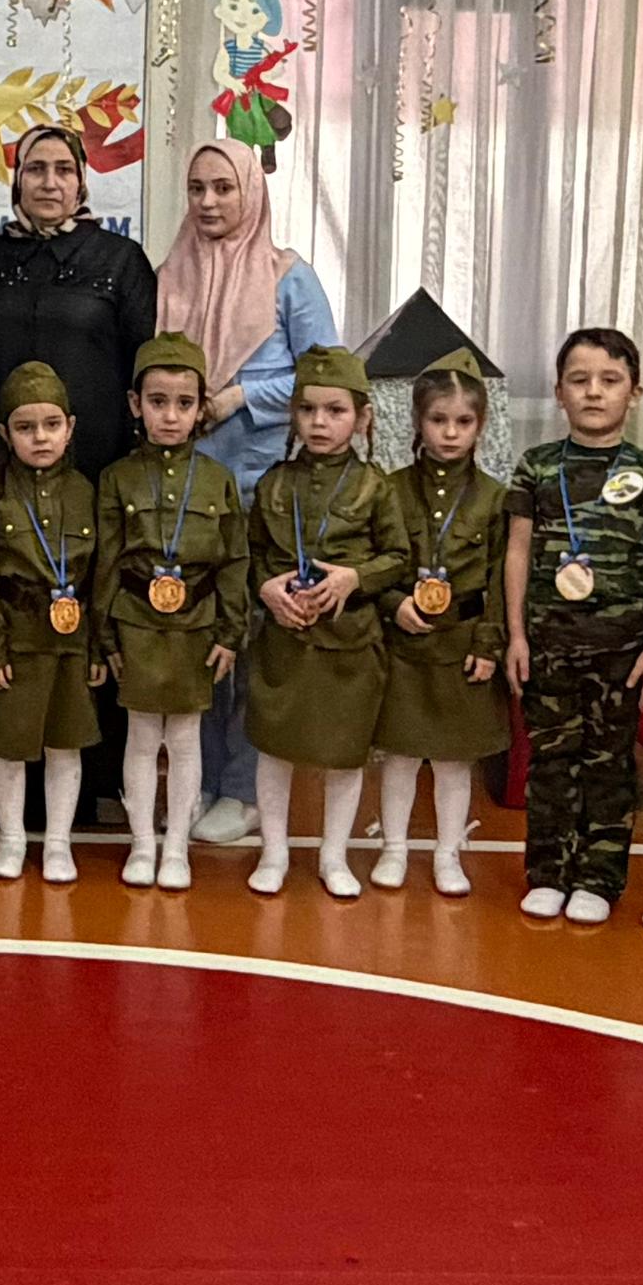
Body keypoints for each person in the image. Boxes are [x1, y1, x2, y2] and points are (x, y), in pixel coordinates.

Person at [151, 137, 334, 846]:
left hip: (262, 492)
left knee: (256, 639)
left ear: (250, 192)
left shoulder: (289, 277)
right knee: (194, 633)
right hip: (186, 493)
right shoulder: (170, 274)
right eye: (197, 188)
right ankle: (195, 775)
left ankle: (245, 786)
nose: (209, 202)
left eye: (224, 187)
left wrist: (240, 397)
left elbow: (325, 375)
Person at [503, 328, 643, 926]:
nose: (594, 392)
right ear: (559, 392)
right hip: (548, 645)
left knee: (609, 764)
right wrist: (517, 635)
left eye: (610, 380)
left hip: (622, 650)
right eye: (579, 381)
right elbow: (517, 553)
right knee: (551, 762)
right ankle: (548, 873)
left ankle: (599, 879)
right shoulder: (536, 467)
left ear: (635, 391)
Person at [244, 351, 401, 899]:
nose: (319, 422)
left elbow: (397, 557)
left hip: (349, 643)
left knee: (344, 753)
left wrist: (355, 578)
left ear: (361, 418)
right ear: (293, 415)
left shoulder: (376, 488)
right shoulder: (274, 483)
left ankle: (334, 856)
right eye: (308, 410)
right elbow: (252, 555)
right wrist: (265, 588)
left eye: (335, 411)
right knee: (274, 748)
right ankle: (273, 853)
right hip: (284, 639)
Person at [97, 335, 244, 887]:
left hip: (195, 626)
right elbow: (106, 562)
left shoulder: (217, 479)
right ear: (135, 404)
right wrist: (104, 636)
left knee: (184, 738)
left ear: (201, 408)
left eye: (185, 403)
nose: (170, 416)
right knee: (140, 736)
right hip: (136, 623)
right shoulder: (117, 478)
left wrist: (230, 632)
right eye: (157, 402)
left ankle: (177, 846)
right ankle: (142, 844)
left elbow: (233, 561)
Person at [372, 359, 510, 897]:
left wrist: (489, 642)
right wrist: (392, 604)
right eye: (438, 420)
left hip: (462, 643)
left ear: (481, 425)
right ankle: (394, 848)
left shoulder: (495, 498)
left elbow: (501, 576)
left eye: (463, 422)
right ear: (417, 421)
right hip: (405, 642)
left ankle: (448, 852)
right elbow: (374, 561)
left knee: (455, 760)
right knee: (400, 755)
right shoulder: (390, 490)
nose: (450, 433)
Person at [0, 363, 104, 880]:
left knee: (64, 745)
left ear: (70, 428)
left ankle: (58, 842)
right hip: (16, 638)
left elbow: (101, 575)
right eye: (25, 428)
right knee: (10, 746)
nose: (40, 438)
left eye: (51, 425)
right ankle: (12, 838)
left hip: (71, 641)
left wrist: (97, 645)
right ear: (6, 434)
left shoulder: (86, 491)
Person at [0, 125, 157, 481]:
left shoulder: (120, 258)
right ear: (18, 179)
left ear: (81, 181)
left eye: (64, 170)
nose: (50, 183)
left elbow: (141, 363)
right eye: (36, 169)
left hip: (95, 455)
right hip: (0, 459)